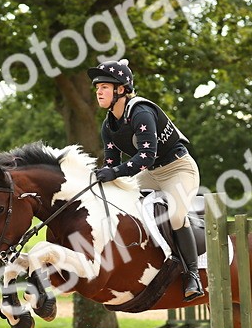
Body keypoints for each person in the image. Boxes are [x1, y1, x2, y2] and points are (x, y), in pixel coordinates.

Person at [87, 59, 204, 301]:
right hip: (149, 173)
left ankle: (193, 275)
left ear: (121, 89)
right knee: (114, 197)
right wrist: (101, 179)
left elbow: (146, 157)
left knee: (175, 216)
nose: (98, 91)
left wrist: (115, 172)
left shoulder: (140, 112)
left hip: (178, 169)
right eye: (97, 87)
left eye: (105, 87)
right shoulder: (108, 125)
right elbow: (111, 164)